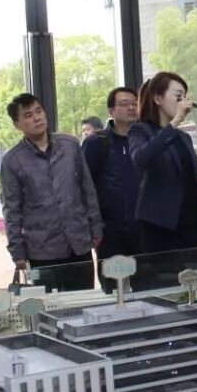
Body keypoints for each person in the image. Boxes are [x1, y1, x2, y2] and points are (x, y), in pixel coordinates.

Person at [0, 93, 103, 292]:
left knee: (83, 302)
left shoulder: (70, 145)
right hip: (42, 250)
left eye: (39, 111)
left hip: (78, 243)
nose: (37, 118)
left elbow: (87, 188)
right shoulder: (12, 160)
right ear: (17, 124)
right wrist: (17, 251)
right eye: (28, 115)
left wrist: (95, 226)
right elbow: (11, 210)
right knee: (49, 307)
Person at [128, 72, 197, 288]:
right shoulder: (140, 131)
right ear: (158, 98)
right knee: (165, 289)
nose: (184, 102)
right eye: (178, 97)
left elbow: (196, 187)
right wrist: (175, 122)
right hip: (160, 229)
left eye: (185, 96)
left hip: (192, 229)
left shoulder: (183, 138)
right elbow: (141, 158)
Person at [82, 87, 140, 292]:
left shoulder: (144, 139)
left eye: (134, 103)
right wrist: (94, 226)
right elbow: (85, 186)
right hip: (111, 233)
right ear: (111, 111)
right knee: (115, 291)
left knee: (148, 289)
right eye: (124, 104)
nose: (131, 107)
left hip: (143, 230)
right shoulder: (96, 143)